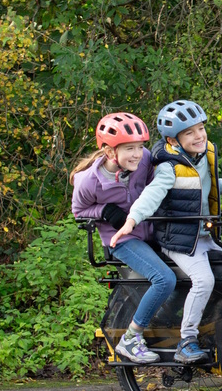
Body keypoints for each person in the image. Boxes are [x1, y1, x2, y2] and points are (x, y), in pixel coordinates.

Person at [110, 100, 222, 364]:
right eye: (189, 133)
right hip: (179, 240)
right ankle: (187, 340)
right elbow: (152, 194)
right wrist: (132, 220)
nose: (199, 136)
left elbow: (209, 184)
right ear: (174, 140)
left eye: (201, 128)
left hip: (202, 236)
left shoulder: (202, 156)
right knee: (204, 281)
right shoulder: (169, 167)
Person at [71, 112, 177, 364]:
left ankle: (171, 326)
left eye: (140, 147)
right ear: (109, 153)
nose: (138, 154)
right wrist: (104, 211)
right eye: (129, 149)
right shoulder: (90, 182)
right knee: (164, 279)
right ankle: (131, 338)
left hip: (151, 231)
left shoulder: (144, 162)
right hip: (122, 241)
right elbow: (78, 212)